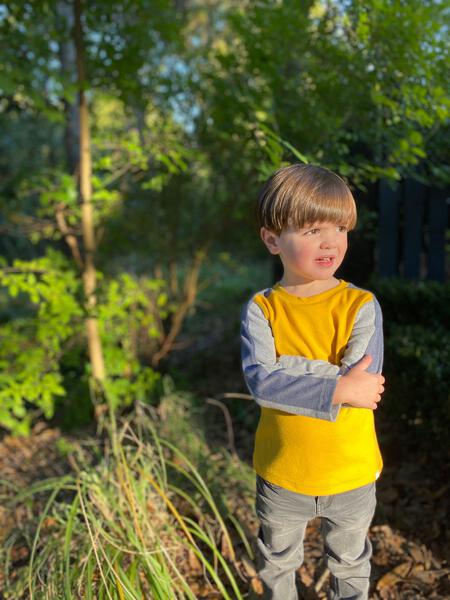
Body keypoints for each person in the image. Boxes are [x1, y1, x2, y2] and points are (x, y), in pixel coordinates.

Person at [240, 163, 386, 600]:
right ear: (272, 239)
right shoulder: (262, 309)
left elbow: (364, 378)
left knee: (351, 561)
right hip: (284, 472)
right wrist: (337, 387)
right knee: (277, 561)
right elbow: (261, 381)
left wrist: (290, 367)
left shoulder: (361, 304)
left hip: (351, 471)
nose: (329, 242)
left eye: (339, 228)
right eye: (310, 230)